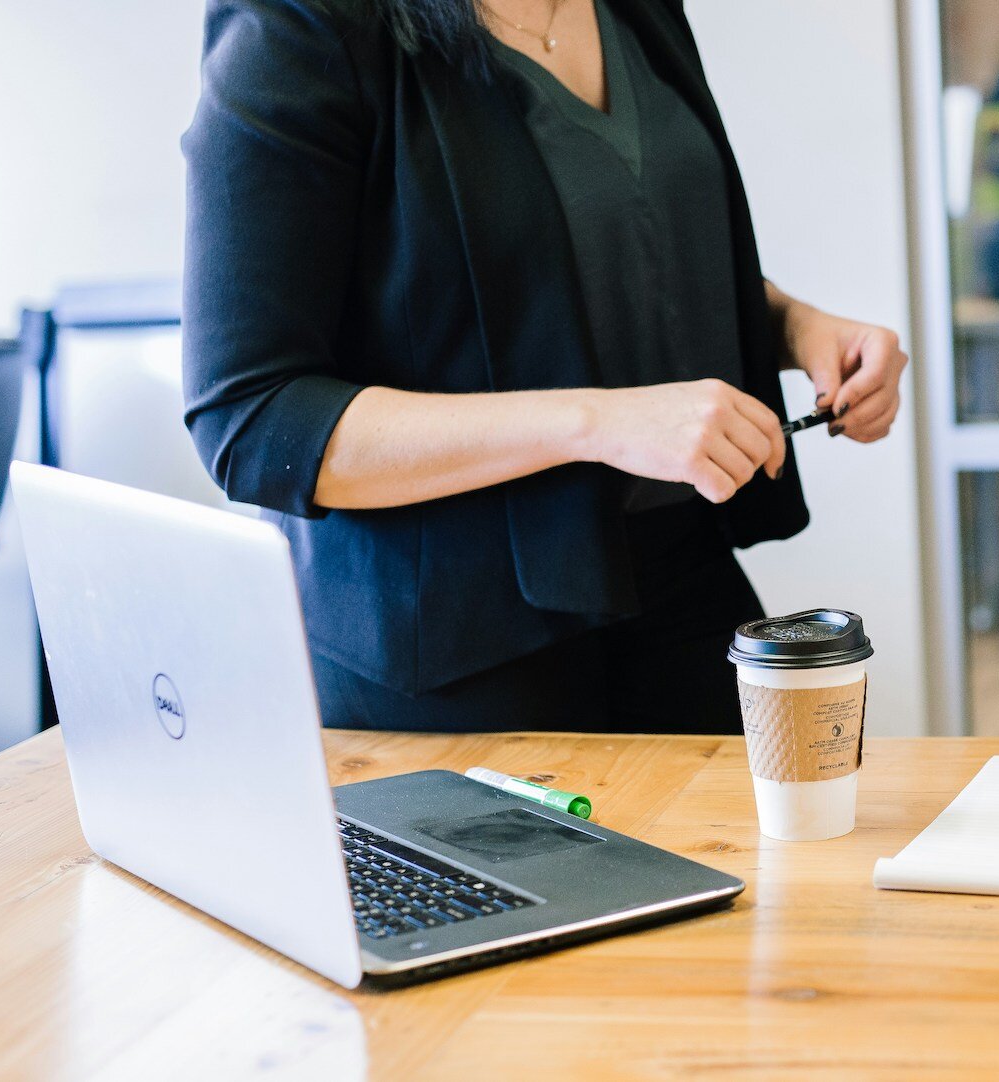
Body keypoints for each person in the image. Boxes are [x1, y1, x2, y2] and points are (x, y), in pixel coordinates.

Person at [182, 0, 907, 734]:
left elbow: (588, 261)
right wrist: (596, 421)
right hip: (458, 645)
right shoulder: (300, 25)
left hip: (680, 580)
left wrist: (794, 327)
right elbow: (253, 417)